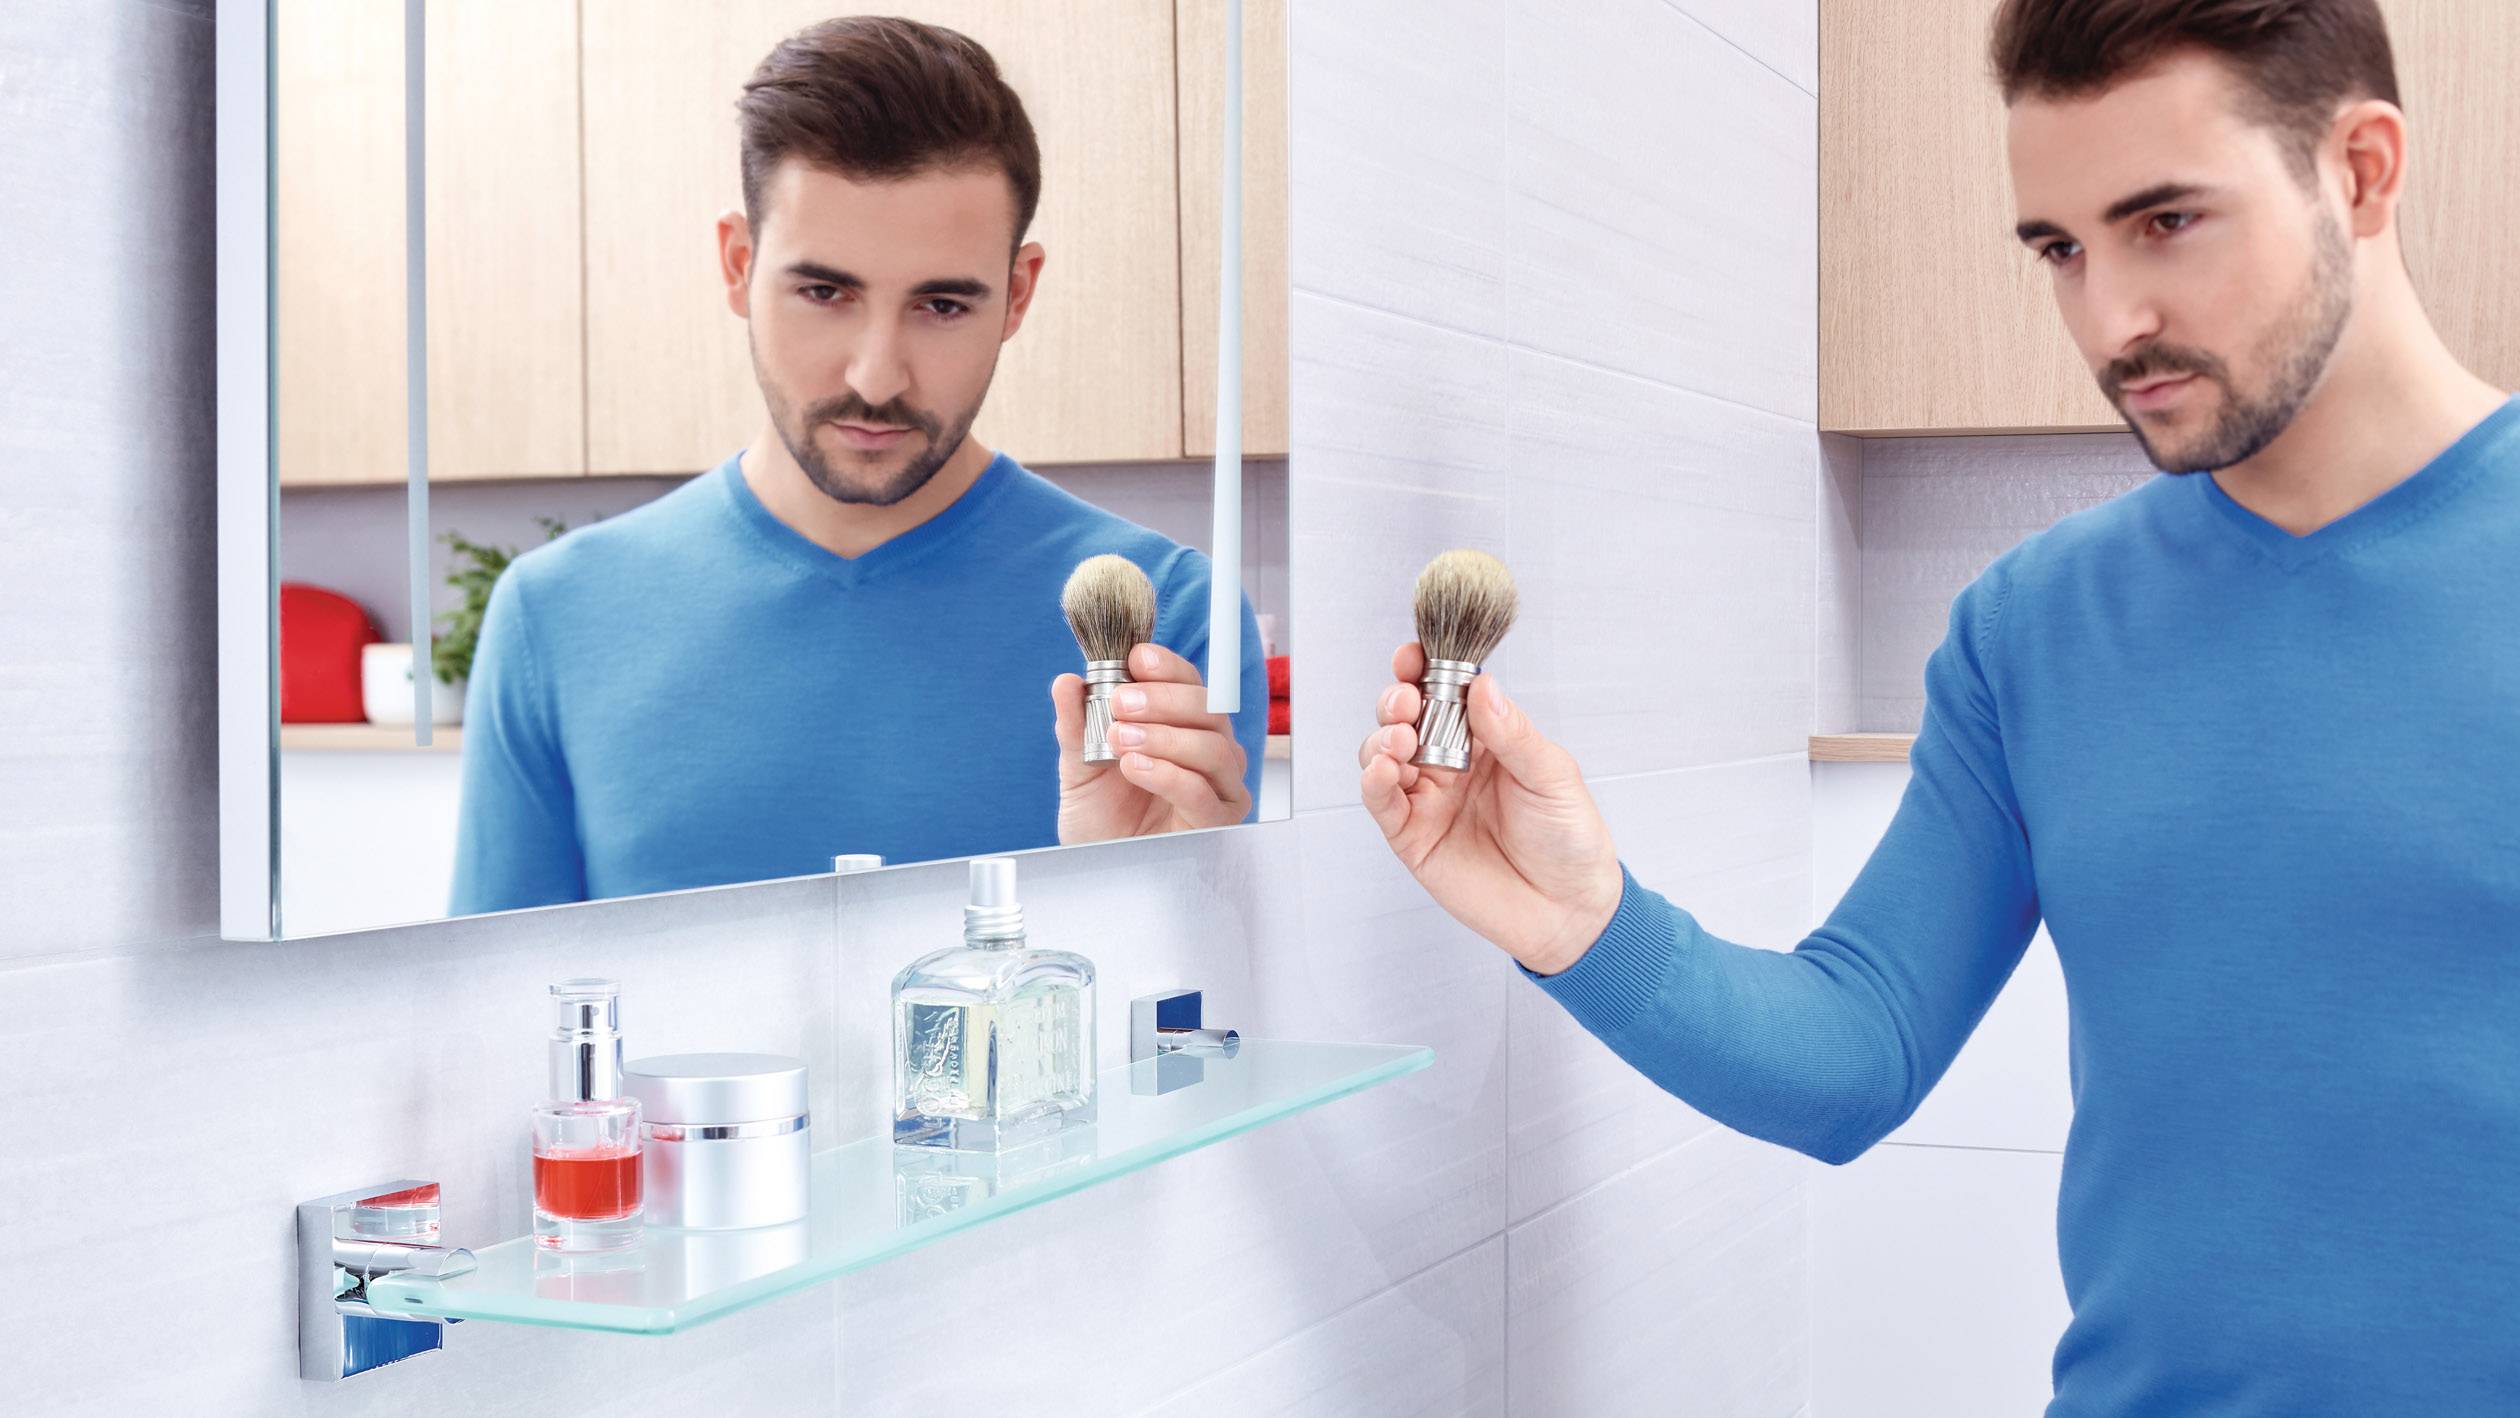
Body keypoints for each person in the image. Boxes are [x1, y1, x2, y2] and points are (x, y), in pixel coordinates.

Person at [1359, 1, 2515, 1411]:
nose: (2112, 319)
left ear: (2362, 169)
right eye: (2061, 249)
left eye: (2167, 223)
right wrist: (1583, 922)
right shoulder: (2032, 629)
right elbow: (1856, 1052)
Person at [451, 17, 1264, 914]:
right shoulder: (556, 616)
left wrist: (1168, 898)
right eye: (825, 292)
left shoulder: (1164, 624)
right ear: (738, 264)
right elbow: (491, 1029)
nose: (877, 375)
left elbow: (1202, 1034)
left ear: (1018, 295)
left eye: (943, 304)